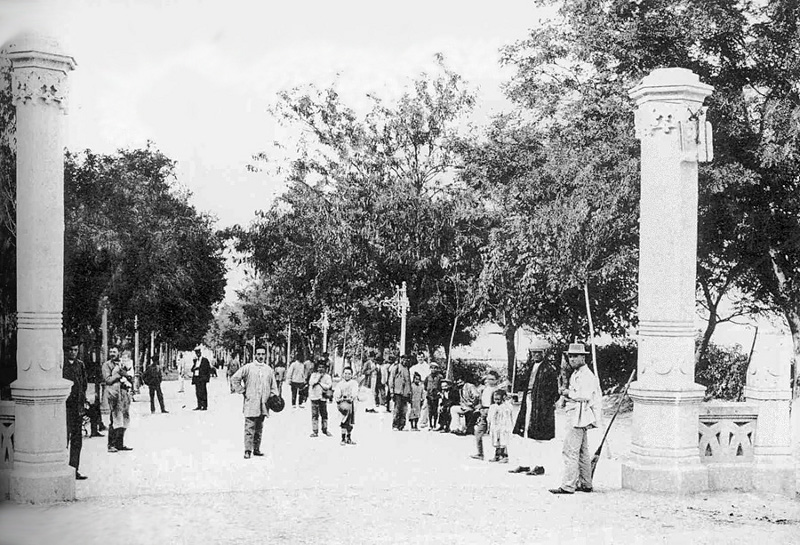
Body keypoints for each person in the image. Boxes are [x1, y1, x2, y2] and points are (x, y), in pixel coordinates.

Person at [550, 342, 602, 495]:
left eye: (575, 356)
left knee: (570, 450)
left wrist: (566, 393)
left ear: (583, 358)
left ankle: (568, 485)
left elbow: (584, 395)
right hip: (577, 413)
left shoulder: (586, 375)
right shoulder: (577, 373)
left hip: (579, 415)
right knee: (581, 451)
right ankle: (586, 483)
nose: (572, 359)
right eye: (570, 356)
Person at [509, 347, 559, 476]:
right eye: (533, 352)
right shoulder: (531, 366)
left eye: (538, 352)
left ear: (544, 353)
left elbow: (553, 391)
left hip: (541, 405)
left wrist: (545, 405)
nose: (536, 355)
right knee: (525, 433)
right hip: (529, 401)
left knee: (538, 437)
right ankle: (525, 463)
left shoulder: (549, 369)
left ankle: (539, 465)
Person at [231, 345, 280, 459]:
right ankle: (248, 450)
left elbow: (273, 386)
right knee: (249, 427)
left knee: (259, 427)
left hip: (264, 403)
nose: (261, 356)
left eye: (263, 354)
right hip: (251, 402)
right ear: (255, 355)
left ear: (265, 355)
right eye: (258, 354)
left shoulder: (268, 369)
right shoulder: (248, 367)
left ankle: (256, 449)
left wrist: (274, 398)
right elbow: (235, 378)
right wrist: (242, 391)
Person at [63, 340, 88, 479]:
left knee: (77, 439)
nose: (73, 352)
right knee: (64, 438)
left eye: (75, 350)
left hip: (77, 408)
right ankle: (62, 468)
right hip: (65, 407)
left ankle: (74, 469)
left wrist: (82, 402)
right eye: (71, 350)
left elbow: (84, 384)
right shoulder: (61, 365)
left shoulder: (80, 365)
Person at [101, 346, 133, 453]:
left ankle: (120, 444)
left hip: (124, 394)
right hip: (114, 394)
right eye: (110, 351)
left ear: (118, 352)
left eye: (114, 351)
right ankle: (111, 444)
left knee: (124, 418)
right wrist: (119, 374)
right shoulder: (106, 365)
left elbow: (129, 376)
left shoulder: (122, 363)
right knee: (114, 418)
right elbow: (108, 380)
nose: (112, 353)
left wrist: (128, 377)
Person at [471, 370, 501, 460]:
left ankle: (498, 455)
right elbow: (481, 400)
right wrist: (479, 408)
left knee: (495, 434)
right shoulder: (485, 389)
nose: (490, 381)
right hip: (483, 411)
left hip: (493, 412)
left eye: (492, 379)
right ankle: (480, 453)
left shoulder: (498, 390)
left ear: (497, 380)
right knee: (478, 432)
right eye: (488, 379)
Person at [333, 366, 359, 445]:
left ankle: (349, 437)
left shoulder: (354, 383)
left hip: (352, 404)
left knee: (350, 422)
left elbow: (355, 392)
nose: (347, 375)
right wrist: (340, 398)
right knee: (343, 421)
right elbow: (337, 393)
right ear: (343, 374)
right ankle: (343, 438)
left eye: (349, 374)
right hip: (343, 404)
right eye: (346, 373)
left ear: (352, 375)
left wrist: (351, 397)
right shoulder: (340, 384)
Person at [308, 360, 333, 437]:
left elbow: (328, 386)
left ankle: (325, 429)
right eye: (319, 367)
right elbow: (311, 383)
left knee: (324, 414)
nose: (321, 369)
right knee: (315, 415)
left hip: (323, 398)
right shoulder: (313, 375)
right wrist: (318, 378)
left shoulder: (327, 376)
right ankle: (315, 431)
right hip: (314, 397)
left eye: (323, 367)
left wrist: (320, 383)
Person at [487, 389, 513, 463]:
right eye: (495, 399)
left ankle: (505, 456)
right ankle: (497, 455)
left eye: (498, 399)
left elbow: (508, 416)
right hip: (495, 426)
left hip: (503, 426)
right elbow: (489, 417)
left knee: (503, 441)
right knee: (496, 440)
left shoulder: (506, 407)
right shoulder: (493, 406)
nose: (496, 401)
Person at [389, 355, 412, 431]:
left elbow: (408, 382)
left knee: (404, 409)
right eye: (403, 359)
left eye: (406, 360)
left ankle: (402, 425)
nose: (405, 361)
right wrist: (391, 391)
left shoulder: (407, 369)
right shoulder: (396, 368)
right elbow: (391, 379)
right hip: (397, 392)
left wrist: (409, 392)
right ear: (400, 359)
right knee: (397, 409)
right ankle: (395, 425)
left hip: (405, 393)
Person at [424, 364, 442, 430]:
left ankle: (434, 425)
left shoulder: (440, 377)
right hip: (429, 396)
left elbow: (441, 386)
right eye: (432, 368)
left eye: (435, 368)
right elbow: (425, 385)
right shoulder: (428, 377)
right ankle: (430, 425)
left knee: (435, 410)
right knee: (430, 411)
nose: (433, 369)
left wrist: (439, 392)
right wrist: (429, 390)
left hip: (436, 396)